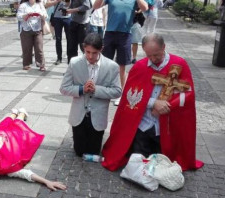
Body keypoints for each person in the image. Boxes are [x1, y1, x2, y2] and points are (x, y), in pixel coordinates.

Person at [101, 33, 204, 172]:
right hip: (144, 124)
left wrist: (166, 106)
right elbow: (129, 96)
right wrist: (153, 103)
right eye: (149, 55)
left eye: (157, 55)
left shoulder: (179, 64)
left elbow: (188, 94)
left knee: (163, 164)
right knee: (140, 163)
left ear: (164, 47)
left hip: (166, 126)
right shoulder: (140, 67)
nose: (153, 59)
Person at [60, 33, 121, 157]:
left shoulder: (112, 66)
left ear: (101, 49)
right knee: (79, 152)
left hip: (98, 115)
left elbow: (117, 91)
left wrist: (96, 90)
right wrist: (81, 89)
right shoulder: (75, 62)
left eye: (94, 53)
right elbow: (64, 88)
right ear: (83, 48)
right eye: (87, 52)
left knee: (93, 151)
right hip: (79, 115)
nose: (90, 56)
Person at [93, 0, 148, 88]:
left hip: (125, 34)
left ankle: (121, 92)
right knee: (105, 63)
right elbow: (95, 6)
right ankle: (103, 88)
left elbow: (145, 7)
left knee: (122, 66)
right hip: (110, 32)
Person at [17, 0, 47, 71]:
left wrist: (41, 14)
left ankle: (41, 64)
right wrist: (26, 15)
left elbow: (45, 15)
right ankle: (26, 64)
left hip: (37, 29)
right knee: (26, 48)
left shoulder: (40, 4)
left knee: (39, 47)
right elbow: (18, 16)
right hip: (26, 29)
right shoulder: (23, 5)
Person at [45, 0, 71, 65]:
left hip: (68, 18)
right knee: (58, 39)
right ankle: (59, 58)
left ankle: (69, 58)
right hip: (57, 18)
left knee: (69, 39)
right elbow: (47, 4)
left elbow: (72, 4)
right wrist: (57, 1)